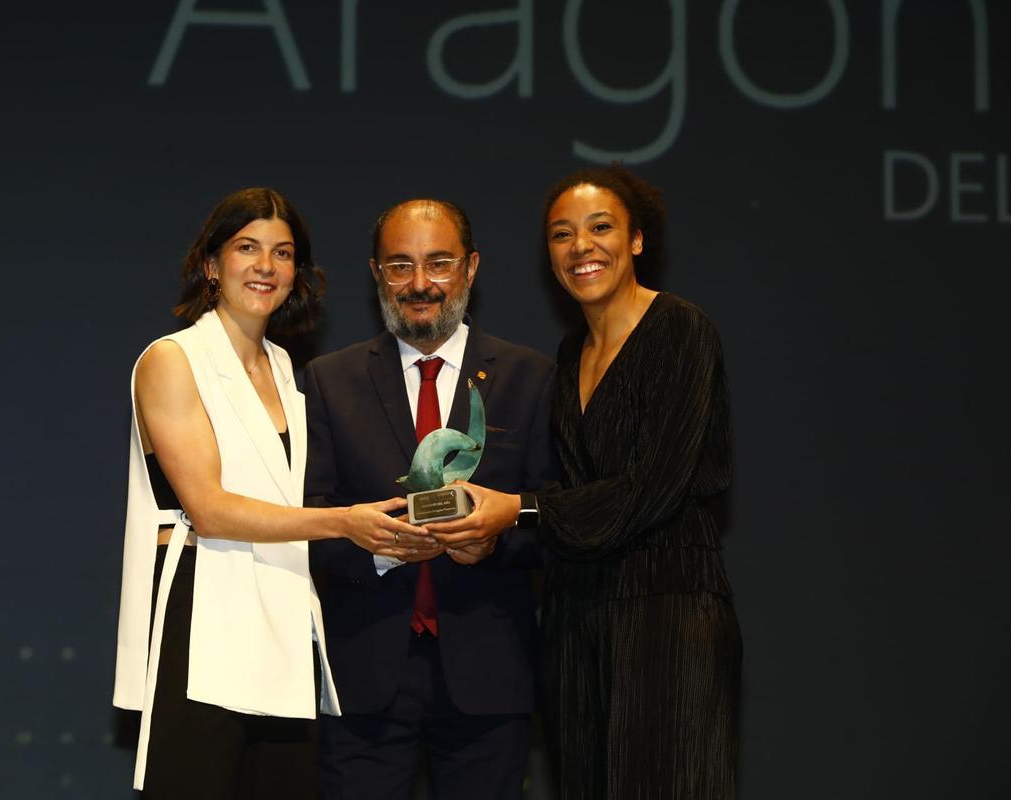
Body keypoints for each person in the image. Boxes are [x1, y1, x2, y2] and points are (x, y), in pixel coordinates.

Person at [428, 166, 742, 798]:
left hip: (669, 613)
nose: (581, 247)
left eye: (601, 228)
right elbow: (563, 487)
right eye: (561, 235)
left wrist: (517, 509)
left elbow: (654, 486)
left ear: (636, 240)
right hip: (576, 620)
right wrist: (484, 526)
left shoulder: (682, 330)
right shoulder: (569, 354)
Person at [112, 187, 428, 798]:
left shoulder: (286, 369)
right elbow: (207, 507)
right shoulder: (173, 360)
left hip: (281, 620)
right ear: (211, 264)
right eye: (247, 248)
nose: (265, 266)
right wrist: (345, 523)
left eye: (282, 253)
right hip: (201, 614)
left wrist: (392, 530)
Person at [303, 198, 558, 799]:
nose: (420, 284)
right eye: (400, 266)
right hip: (364, 675)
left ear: (471, 268)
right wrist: (378, 549)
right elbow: (307, 521)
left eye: (438, 263)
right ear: (375, 275)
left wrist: (495, 541)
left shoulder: (530, 376)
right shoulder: (328, 380)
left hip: (489, 675)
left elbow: (559, 518)